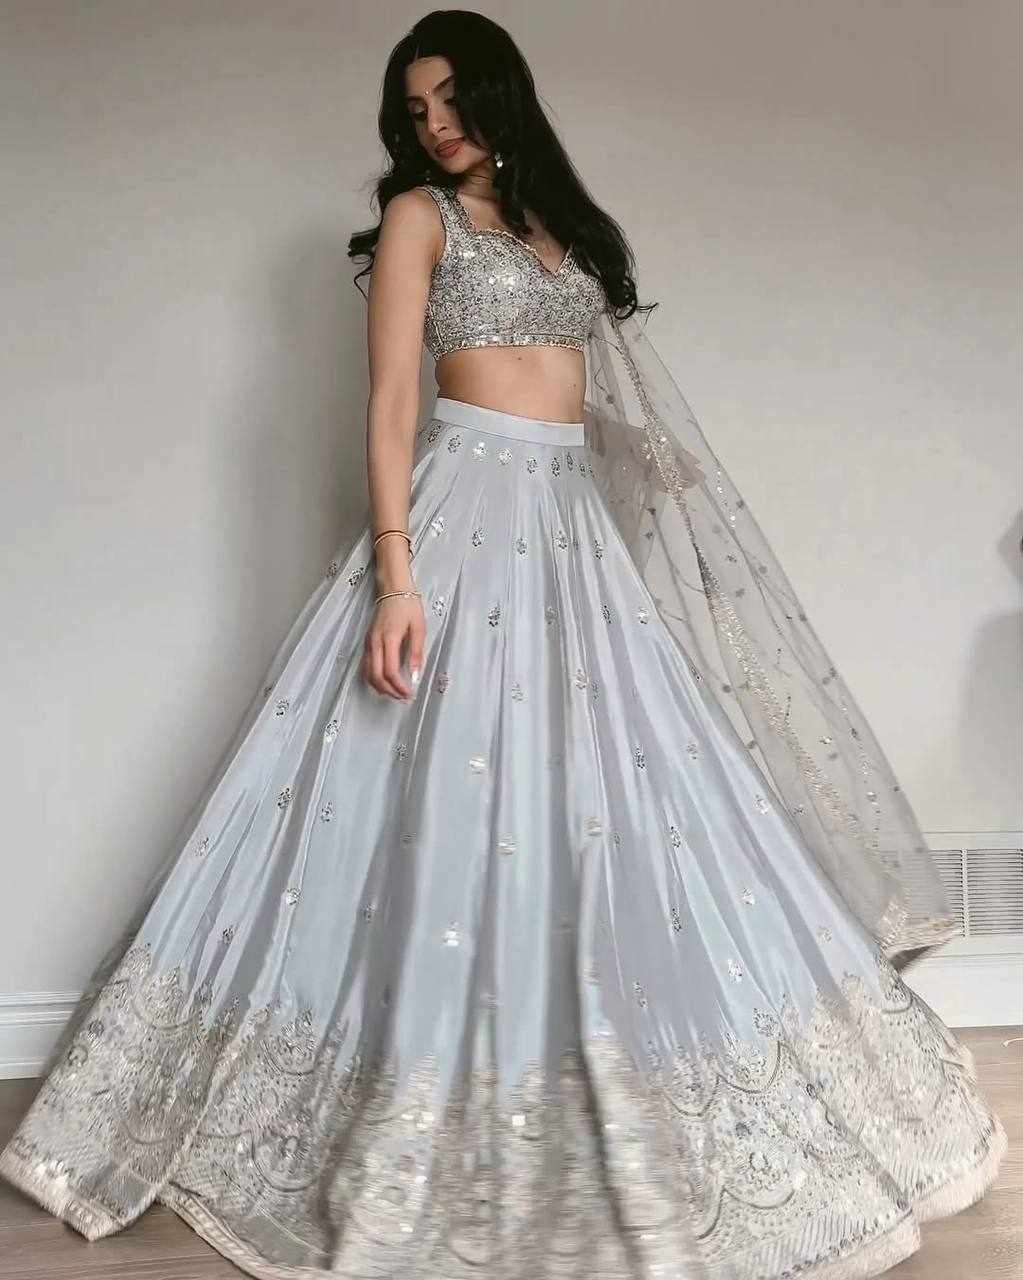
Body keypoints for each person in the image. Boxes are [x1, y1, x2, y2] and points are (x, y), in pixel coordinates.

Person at [0, 10, 1005, 1280]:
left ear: (498, 93)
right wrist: (396, 573)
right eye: (413, 110)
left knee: (618, 797)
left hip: (571, 526)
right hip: (464, 517)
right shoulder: (418, 218)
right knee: (439, 793)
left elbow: (573, 381)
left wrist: (634, 460)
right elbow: (390, 403)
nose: (434, 126)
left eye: (450, 100)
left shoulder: (556, 226)